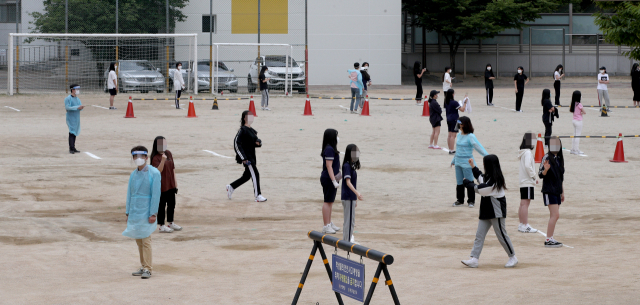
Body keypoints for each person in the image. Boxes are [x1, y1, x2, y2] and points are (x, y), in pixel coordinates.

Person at [461, 155, 517, 268]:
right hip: (486, 210)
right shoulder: (489, 177)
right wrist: (473, 166)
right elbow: (480, 177)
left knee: (501, 235)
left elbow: (482, 189)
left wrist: (467, 183)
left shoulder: (496, 180)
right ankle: (474, 258)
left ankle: (512, 257)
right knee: (479, 235)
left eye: (484, 163)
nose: (483, 165)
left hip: (497, 212)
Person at [123, 146, 161, 279]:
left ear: (146, 157)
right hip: (135, 211)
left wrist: (153, 213)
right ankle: (143, 265)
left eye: (141, 156)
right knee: (139, 240)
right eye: (135, 156)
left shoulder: (154, 173)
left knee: (146, 240)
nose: (138, 159)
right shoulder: (133, 174)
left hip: (147, 212)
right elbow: (130, 194)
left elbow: (156, 195)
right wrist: (128, 212)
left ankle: (148, 268)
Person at [227, 111, 267, 202]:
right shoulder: (242, 130)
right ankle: (258, 196)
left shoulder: (252, 130)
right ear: (244, 118)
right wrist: (243, 158)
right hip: (247, 158)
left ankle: (231, 187)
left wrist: (258, 142)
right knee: (255, 174)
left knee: (246, 176)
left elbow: (253, 143)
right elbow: (237, 144)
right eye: (248, 116)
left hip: (252, 156)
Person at [451, 116, 488, 208]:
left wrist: (487, 156)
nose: (458, 125)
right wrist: (453, 160)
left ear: (464, 125)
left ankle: (471, 201)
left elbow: (478, 147)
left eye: (460, 123)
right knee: (459, 182)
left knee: (469, 182)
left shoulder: (470, 136)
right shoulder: (459, 135)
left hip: (468, 163)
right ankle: (460, 200)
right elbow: (458, 149)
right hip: (458, 162)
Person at [150, 136, 181, 233]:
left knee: (172, 204)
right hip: (161, 185)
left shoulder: (168, 153)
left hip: (170, 183)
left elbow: (173, 168)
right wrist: (163, 160)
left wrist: (175, 181)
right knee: (161, 206)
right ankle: (161, 225)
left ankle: (171, 222)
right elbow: (157, 171)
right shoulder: (155, 158)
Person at [538, 137, 565, 248]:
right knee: (555, 215)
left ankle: (550, 238)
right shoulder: (547, 157)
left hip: (557, 190)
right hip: (549, 190)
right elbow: (540, 174)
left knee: (555, 215)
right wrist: (546, 169)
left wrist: (562, 191)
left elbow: (560, 176)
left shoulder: (559, 158)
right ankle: (548, 239)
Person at [320, 129, 341, 234]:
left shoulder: (332, 148)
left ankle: (329, 222)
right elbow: (329, 166)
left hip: (332, 178)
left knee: (330, 202)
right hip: (328, 179)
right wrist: (333, 180)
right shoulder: (329, 149)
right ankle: (326, 225)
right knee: (327, 201)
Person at [341, 144, 363, 244]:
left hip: (351, 197)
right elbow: (348, 182)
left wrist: (355, 198)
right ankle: (347, 240)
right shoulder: (346, 166)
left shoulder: (351, 165)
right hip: (348, 196)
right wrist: (357, 193)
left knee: (350, 219)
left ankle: (348, 238)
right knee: (349, 220)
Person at [518, 132, 538, 233]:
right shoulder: (528, 153)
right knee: (525, 204)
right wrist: (534, 176)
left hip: (523, 181)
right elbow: (527, 166)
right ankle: (525, 225)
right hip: (527, 181)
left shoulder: (523, 152)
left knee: (522, 203)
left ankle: (522, 224)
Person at [444, 88, 467, 154]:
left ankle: (450, 149)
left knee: (450, 134)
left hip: (448, 118)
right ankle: (452, 149)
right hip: (454, 119)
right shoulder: (454, 102)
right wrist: (465, 102)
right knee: (453, 135)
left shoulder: (446, 102)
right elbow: (462, 109)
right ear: (452, 94)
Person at [65, 84, 84, 154]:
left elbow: (79, 107)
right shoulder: (68, 98)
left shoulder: (77, 99)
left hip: (77, 118)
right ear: (72, 90)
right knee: (71, 132)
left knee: (74, 132)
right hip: (71, 118)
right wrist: (76, 107)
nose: (78, 91)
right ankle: (71, 148)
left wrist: (80, 108)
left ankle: (73, 147)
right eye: (77, 89)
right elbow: (67, 107)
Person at [569, 91, 586, 155]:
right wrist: (581, 113)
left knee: (574, 135)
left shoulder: (573, 103)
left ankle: (573, 149)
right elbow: (584, 112)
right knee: (577, 136)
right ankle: (576, 149)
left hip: (574, 120)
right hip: (579, 121)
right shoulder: (579, 104)